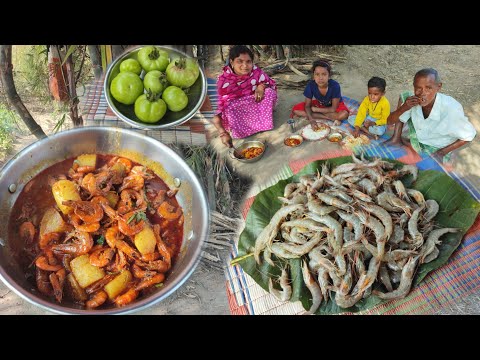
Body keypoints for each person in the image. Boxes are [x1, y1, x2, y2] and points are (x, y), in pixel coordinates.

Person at [384, 68, 476, 163]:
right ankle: (396, 138)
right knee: (405, 97)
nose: (422, 93)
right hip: (419, 135)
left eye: (428, 88)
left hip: (435, 145)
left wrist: (441, 153)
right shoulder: (412, 100)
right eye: (418, 88)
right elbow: (389, 122)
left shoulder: (451, 109)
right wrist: (404, 108)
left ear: (438, 87)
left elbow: (469, 135)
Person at [212, 45, 277, 148]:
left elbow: (269, 83)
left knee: (269, 92)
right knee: (229, 106)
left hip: (254, 101)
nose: (245, 66)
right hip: (238, 109)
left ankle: (263, 124)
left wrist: (261, 86)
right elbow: (214, 110)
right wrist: (222, 133)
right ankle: (243, 131)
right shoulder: (223, 81)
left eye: (248, 61)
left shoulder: (256, 71)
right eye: (240, 61)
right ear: (232, 62)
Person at [291, 60, 349, 130]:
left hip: (335, 105)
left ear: (329, 75)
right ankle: (329, 118)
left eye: (324, 74)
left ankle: (321, 115)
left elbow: (333, 108)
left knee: (344, 115)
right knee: (296, 110)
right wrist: (311, 120)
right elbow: (307, 106)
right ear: (313, 76)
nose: (320, 78)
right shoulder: (311, 85)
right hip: (320, 104)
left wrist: (316, 110)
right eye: (317, 74)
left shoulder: (335, 86)